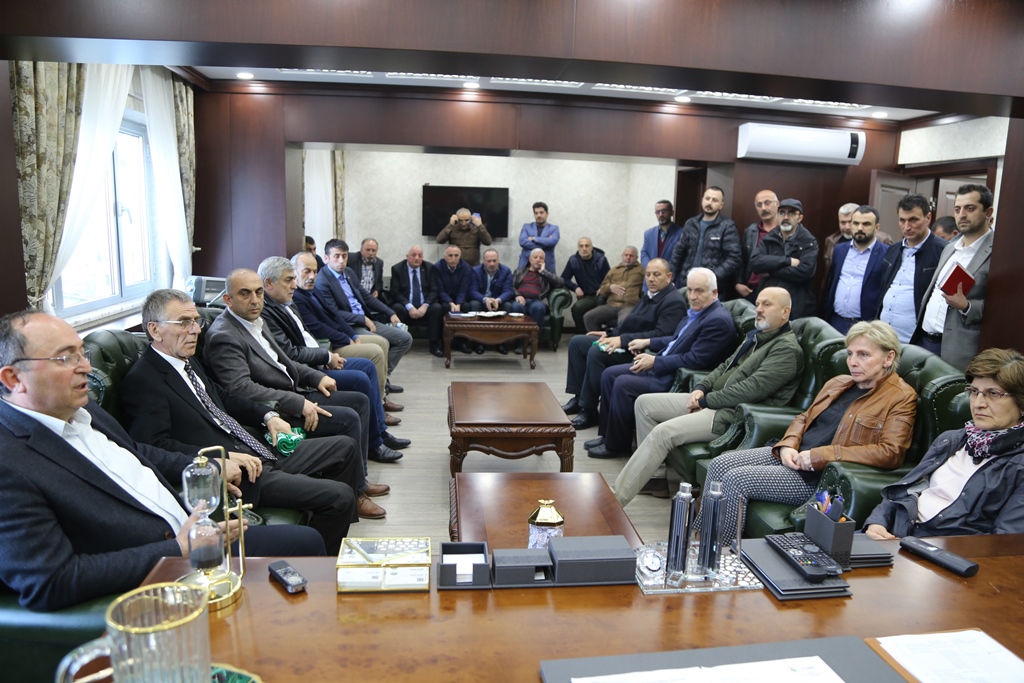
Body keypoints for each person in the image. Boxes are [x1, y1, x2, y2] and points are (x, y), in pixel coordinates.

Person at [0, 311, 326, 611]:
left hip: (193, 531)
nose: (85, 367)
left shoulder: (84, 410)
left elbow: (139, 452)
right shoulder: (9, 464)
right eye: (65, 358)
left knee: (307, 541)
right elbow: (51, 582)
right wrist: (178, 549)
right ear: (13, 378)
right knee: (304, 544)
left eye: (82, 353)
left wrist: (205, 467)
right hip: (161, 568)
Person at [122, 289, 371, 538]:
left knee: (346, 447)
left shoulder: (186, 361)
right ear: (155, 330)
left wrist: (268, 416)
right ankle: (316, 553)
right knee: (340, 496)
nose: (196, 330)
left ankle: (323, 530)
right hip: (240, 471)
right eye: (184, 322)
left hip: (255, 445)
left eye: (196, 321)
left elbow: (224, 398)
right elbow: (153, 448)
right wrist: (218, 459)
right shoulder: (144, 380)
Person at [697, 320, 916, 544]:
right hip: (794, 455)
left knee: (736, 480)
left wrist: (820, 456)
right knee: (719, 464)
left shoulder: (901, 396)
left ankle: (722, 553)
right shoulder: (839, 382)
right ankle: (702, 542)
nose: (852, 362)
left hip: (817, 478)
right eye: (850, 354)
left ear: (888, 358)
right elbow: (804, 418)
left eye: (863, 355)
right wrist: (788, 445)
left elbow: (891, 452)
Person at [613, 287, 803, 506]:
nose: (759, 309)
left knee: (663, 433)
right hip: (713, 401)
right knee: (644, 403)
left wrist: (705, 401)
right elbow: (724, 366)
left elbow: (750, 390)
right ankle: (654, 479)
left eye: (767, 305)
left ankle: (614, 501)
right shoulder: (757, 337)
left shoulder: (786, 350)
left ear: (785, 312)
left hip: (732, 415)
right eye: (758, 303)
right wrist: (701, 388)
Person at [204, 269, 376, 473]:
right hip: (273, 408)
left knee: (359, 401)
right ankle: (355, 485)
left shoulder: (255, 320)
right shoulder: (224, 335)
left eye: (259, 292)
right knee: (348, 418)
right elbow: (241, 389)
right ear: (228, 299)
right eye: (245, 293)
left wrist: (316, 376)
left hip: (292, 391)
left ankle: (361, 473)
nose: (255, 300)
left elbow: (282, 362)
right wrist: (298, 403)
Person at [865, 348, 1024, 539]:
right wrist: (877, 522)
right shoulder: (951, 440)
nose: (978, 403)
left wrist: (919, 548)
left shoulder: (1018, 465)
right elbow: (904, 489)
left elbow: (1005, 542)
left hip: (939, 549)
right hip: (896, 535)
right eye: (974, 392)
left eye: (993, 393)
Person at [258, 257, 409, 450]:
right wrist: (327, 356)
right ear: (269, 284)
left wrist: (345, 339)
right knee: (361, 378)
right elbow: (291, 353)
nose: (294, 285)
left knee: (367, 366)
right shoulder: (270, 310)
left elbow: (318, 327)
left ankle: (380, 431)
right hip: (308, 369)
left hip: (320, 356)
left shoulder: (288, 302)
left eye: (295, 278)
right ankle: (375, 443)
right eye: (289, 280)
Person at [585, 268, 736, 459]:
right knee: (610, 374)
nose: (692, 296)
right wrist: (647, 342)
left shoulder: (718, 321)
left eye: (699, 291)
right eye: (690, 290)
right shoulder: (698, 312)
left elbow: (695, 359)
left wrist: (655, 361)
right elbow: (676, 339)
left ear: (714, 292)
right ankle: (608, 437)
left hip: (676, 377)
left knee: (623, 383)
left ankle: (617, 446)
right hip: (664, 365)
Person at [562, 258, 686, 430]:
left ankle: (589, 410)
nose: (650, 279)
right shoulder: (651, 295)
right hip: (627, 341)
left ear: (669, 276)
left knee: (597, 351)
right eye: (648, 274)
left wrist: (622, 340)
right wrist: (610, 333)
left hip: (641, 351)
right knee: (577, 342)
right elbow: (632, 324)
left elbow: (662, 335)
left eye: (657, 275)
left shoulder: (673, 301)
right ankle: (579, 397)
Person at [913, 184, 995, 371]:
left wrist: (966, 306)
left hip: (957, 350)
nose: (962, 215)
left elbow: (1002, 309)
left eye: (970, 208)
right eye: (958, 209)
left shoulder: (998, 253)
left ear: (988, 212)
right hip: (923, 341)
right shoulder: (950, 247)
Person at [290, 252, 390, 397]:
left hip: (339, 336)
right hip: (329, 344)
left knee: (382, 342)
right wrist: (346, 339)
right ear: (294, 272)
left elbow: (334, 315)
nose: (312, 276)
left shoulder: (313, 290)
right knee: (376, 352)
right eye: (307, 271)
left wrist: (353, 335)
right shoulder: (297, 297)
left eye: (315, 272)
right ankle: (380, 400)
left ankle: (383, 392)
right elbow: (317, 328)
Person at [315, 238, 414, 380]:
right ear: (326, 258)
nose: (341, 260)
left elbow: (366, 297)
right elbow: (334, 313)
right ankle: (380, 381)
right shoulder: (323, 281)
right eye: (336, 256)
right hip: (350, 326)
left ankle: (383, 376)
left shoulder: (348, 272)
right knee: (383, 343)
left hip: (365, 320)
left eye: (344, 256)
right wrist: (362, 319)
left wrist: (390, 312)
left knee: (405, 338)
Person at [877, 194, 947, 343]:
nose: (907, 226)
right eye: (902, 220)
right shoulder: (893, 249)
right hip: (885, 336)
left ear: (928, 218)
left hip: (918, 339)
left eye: (913, 220)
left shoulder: (943, 251)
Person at [820, 205, 889, 333]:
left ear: (877, 227)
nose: (860, 228)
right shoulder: (839, 250)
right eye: (856, 223)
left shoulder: (887, 254)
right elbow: (831, 283)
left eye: (866, 224)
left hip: (866, 326)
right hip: (836, 321)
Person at [748, 198, 819, 319]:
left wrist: (770, 270)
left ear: (800, 218)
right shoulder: (769, 238)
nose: (786, 217)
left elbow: (805, 271)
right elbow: (755, 263)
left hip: (796, 304)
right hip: (768, 302)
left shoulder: (808, 241)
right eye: (782, 213)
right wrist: (788, 261)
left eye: (791, 213)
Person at [668, 187, 742, 294]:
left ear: (721, 205)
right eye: (707, 199)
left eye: (715, 200)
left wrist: (712, 277)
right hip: (687, 283)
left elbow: (734, 258)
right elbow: (678, 252)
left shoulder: (727, 226)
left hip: (711, 287)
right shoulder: (691, 223)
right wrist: (671, 277)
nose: (709, 203)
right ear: (702, 200)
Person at [390, 245, 445, 357]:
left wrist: (425, 306)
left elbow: (434, 290)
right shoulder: (397, 269)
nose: (417, 258)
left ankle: (434, 345)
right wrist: (409, 306)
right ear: (407, 256)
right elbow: (395, 292)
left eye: (420, 255)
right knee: (396, 308)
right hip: (406, 306)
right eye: (413, 255)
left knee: (437, 308)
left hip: (425, 307)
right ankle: (401, 344)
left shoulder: (429, 268)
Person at [465, 248, 517, 354]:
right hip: (481, 300)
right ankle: (478, 342)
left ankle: (501, 342)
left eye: (494, 260)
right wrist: (486, 299)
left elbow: (509, 291)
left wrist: (498, 300)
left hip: (498, 301)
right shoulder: (475, 271)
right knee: (474, 305)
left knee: (507, 306)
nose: (492, 264)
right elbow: (472, 291)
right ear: (483, 261)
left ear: (498, 260)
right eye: (489, 261)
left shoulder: (506, 271)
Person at [823, 203, 894, 277]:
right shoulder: (834, 243)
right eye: (843, 223)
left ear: (876, 227)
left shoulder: (884, 242)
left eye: (865, 224)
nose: (847, 227)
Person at [582, 246, 643, 332]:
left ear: (636, 257)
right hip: (612, 305)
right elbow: (602, 289)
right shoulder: (614, 270)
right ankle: (596, 339)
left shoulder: (642, 270)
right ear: (622, 256)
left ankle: (619, 340)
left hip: (629, 306)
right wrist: (610, 287)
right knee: (588, 317)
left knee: (624, 321)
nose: (628, 257)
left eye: (631, 255)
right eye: (626, 255)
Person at [736, 190, 781, 303]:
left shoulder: (785, 231)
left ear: (777, 204)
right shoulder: (751, 231)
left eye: (767, 203)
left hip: (777, 291)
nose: (763, 208)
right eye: (759, 205)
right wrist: (738, 283)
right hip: (751, 291)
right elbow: (742, 260)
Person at [561, 237, 610, 333]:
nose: (584, 248)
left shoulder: (601, 260)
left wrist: (603, 288)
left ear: (591, 247)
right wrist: (575, 288)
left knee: (599, 308)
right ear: (578, 248)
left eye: (587, 246)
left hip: (602, 295)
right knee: (577, 308)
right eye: (581, 246)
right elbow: (564, 278)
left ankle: (596, 334)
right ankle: (583, 334)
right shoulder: (573, 260)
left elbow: (610, 278)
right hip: (587, 297)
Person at [512, 247, 564, 329]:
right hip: (521, 300)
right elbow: (510, 286)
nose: (538, 260)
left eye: (541, 258)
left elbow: (561, 283)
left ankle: (535, 336)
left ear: (544, 261)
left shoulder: (547, 273)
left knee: (538, 308)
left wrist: (543, 272)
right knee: (516, 307)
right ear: (530, 259)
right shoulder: (519, 271)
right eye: (535, 257)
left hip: (537, 301)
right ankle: (519, 336)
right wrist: (517, 295)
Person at [435, 245, 474, 353]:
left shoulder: (466, 267)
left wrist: (459, 303)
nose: (453, 258)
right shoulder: (438, 267)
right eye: (450, 255)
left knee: (466, 307)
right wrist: (450, 302)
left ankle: (461, 341)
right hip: (444, 299)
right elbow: (439, 289)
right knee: (442, 308)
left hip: (460, 298)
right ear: (445, 256)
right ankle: (443, 342)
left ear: (460, 256)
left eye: (456, 256)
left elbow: (464, 288)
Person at [517, 201, 560, 271]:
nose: (539, 215)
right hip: (526, 266)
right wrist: (545, 242)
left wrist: (534, 239)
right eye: (536, 213)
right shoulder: (526, 227)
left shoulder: (554, 228)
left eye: (541, 212)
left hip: (546, 267)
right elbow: (522, 241)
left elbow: (553, 241)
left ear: (547, 214)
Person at [640, 200, 682, 269]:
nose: (661, 215)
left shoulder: (681, 233)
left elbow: (682, 256)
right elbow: (644, 254)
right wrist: (651, 268)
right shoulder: (648, 234)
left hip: (671, 273)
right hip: (652, 273)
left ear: (672, 213)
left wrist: (665, 269)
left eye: (664, 211)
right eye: (658, 212)